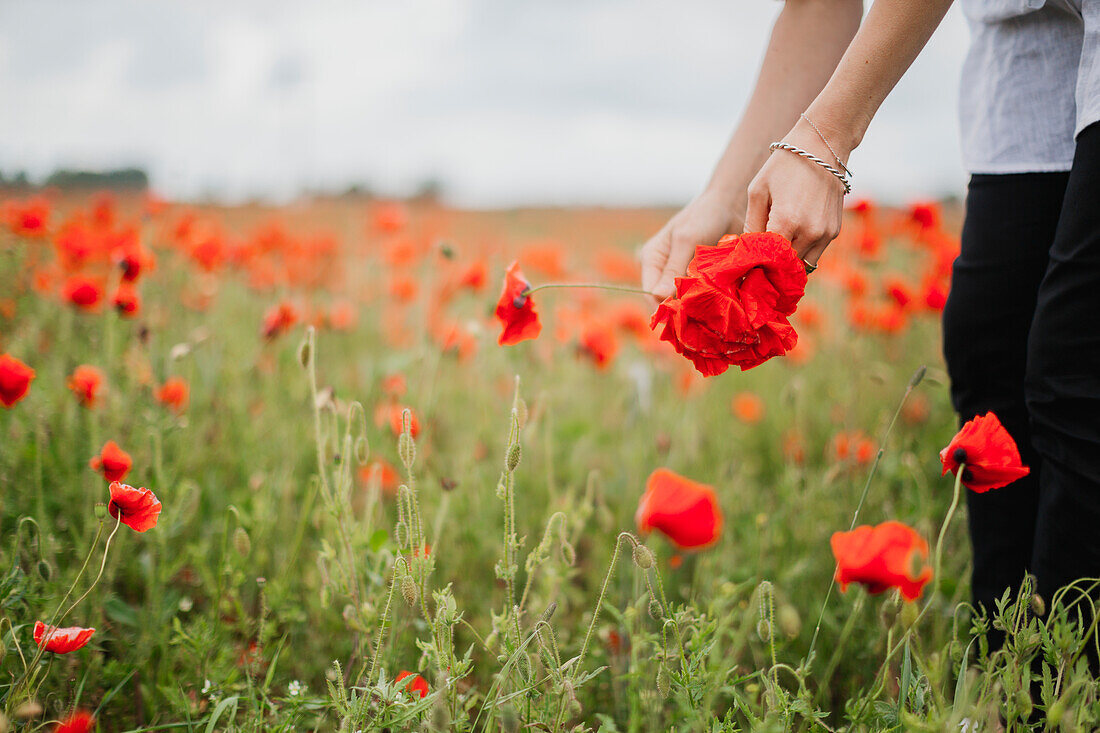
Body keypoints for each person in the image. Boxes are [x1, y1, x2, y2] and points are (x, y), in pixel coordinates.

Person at [641, 0, 1100, 641]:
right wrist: (721, 198)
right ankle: (1003, 684)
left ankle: (1065, 694)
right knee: (993, 368)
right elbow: (819, 4)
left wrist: (825, 138)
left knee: (1079, 376)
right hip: (1027, 62)